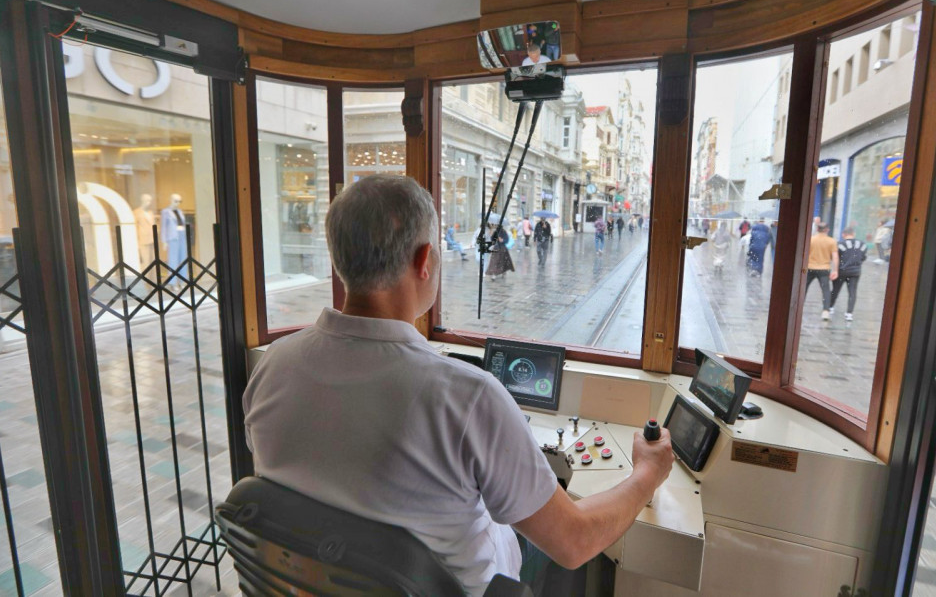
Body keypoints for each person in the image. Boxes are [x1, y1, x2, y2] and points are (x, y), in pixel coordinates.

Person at [242, 176, 674, 594]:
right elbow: (575, 542)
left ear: (338, 258)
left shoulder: (273, 366)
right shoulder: (470, 397)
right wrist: (646, 474)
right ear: (424, 259)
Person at [831, 227, 869, 321]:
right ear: (853, 234)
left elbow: (836, 258)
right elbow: (863, 257)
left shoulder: (840, 244)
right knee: (852, 292)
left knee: (835, 290)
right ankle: (849, 313)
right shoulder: (863, 244)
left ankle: (830, 307)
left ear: (843, 234)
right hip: (855, 272)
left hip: (842, 271)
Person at [807, 222, 838, 320]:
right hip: (824, 269)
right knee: (826, 291)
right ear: (827, 230)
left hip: (809, 267)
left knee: (803, 289)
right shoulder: (831, 241)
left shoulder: (810, 239)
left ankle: (796, 308)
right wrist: (835, 270)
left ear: (817, 229)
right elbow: (835, 257)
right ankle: (825, 311)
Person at [160, 193, 187, 285]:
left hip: (182, 236)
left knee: (183, 259)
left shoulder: (180, 211)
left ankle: (183, 281)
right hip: (172, 237)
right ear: (171, 200)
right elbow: (163, 227)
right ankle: (173, 282)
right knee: (173, 260)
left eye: (180, 201)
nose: (178, 203)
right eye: (176, 201)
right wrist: (164, 241)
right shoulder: (165, 212)